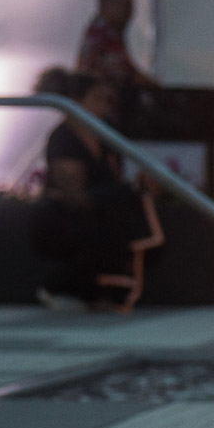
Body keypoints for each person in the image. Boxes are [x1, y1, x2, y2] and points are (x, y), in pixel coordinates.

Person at [30, 73, 158, 310]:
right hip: (61, 216)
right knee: (104, 233)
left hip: (97, 212)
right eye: (98, 99)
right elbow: (75, 197)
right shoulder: (64, 139)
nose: (105, 107)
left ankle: (101, 292)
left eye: (107, 100)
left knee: (137, 231)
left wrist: (136, 186)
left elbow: (116, 176)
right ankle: (58, 287)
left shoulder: (105, 135)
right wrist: (122, 191)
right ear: (77, 101)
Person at [75, 0, 155, 90]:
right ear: (105, 4)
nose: (129, 11)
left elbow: (128, 69)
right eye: (124, 4)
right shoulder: (100, 34)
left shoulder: (112, 32)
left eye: (130, 5)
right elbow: (124, 72)